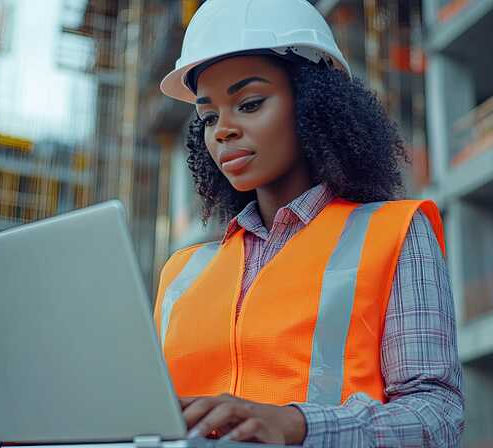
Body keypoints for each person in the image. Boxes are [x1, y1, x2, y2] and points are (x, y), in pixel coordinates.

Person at [154, 0, 464, 445]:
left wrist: (296, 425)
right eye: (208, 116)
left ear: (314, 104)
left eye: (250, 103)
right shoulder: (180, 275)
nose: (222, 130)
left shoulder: (394, 233)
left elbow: (437, 416)